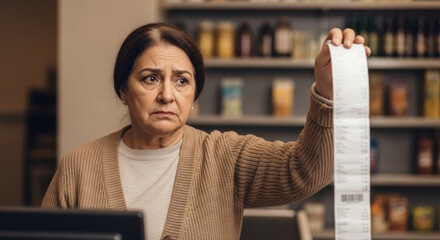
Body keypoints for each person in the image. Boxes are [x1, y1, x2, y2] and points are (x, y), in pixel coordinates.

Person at [42, 23, 370, 240]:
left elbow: (306, 171)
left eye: (182, 81)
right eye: (150, 78)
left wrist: (328, 92)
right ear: (123, 90)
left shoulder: (226, 156)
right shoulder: (79, 167)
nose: (167, 95)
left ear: (194, 97)